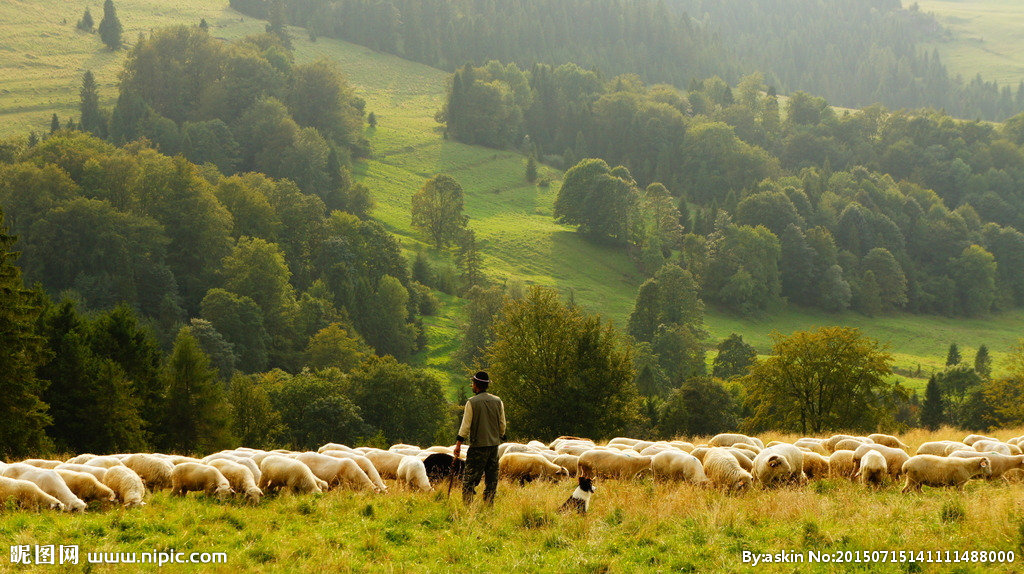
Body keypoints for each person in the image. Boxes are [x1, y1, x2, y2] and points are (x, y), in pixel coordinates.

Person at [453, 371, 506, 505]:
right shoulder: (497, 401)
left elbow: (465, 426)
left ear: (476, 385)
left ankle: (468, 506)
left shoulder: (472, 402)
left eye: (472, 383)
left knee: (469, 479)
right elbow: (502, 424)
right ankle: (488, 504)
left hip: (478, 447)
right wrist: (500, 435)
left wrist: (459, 443)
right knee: (491, 479)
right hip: (494, 446)